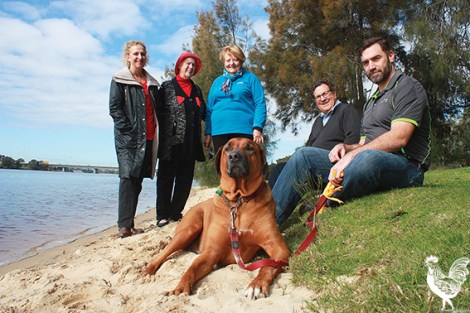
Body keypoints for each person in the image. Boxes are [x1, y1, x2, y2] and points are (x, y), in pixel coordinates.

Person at [273, 36, 431, 225]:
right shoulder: (371, 102)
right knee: (303, 155)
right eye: (365, 63)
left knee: (367, 158)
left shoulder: (407, 87)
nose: (371, 66)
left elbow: (400, 137)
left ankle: (327, 201)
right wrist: (347, 148)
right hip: (367, 159)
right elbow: (364, 143)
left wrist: (352, 155)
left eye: (376, 59)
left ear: (390, 56)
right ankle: (266, 223)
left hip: (407, 167)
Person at [268, 80, 361, 189]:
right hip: (310, 164)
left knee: (302, 155)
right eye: (318, 97)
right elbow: (308, 146)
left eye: (325, 94)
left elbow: (352, 141)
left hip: (332, 163)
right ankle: (266, 204)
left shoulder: (346, 110)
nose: (322, 99)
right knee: (279, 169)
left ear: (334, 94)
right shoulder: (318, 121)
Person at [109, 40, 159, 238]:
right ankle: (123, 226)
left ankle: (129, 223)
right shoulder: (119, 79)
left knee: (137, 181)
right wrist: (128, 130)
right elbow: (114, 108)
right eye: (135, 54)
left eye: (142, 54)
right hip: (128, 139)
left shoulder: (152, 83)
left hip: (148, 137)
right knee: (128, 178)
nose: (139, 57)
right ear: (128, 56)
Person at [155, 52, 206, 227]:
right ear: (179, 65)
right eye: (187, 64)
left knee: (185, 182)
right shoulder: (167, 87)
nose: (190, 67)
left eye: (193, 65)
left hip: (191, 144)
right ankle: (162, 215)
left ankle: (175, 213)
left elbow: (205, 113)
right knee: (165, 180)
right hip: (170, 144)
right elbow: (157, 114)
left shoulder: (197, 90)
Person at [204, 44, 267, 154]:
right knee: (223, 169)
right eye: (228, 60)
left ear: (241, 61)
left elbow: (260, 104)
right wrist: (208, 132)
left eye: (235, 60)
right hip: (219, 131)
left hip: (244, 130)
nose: (231, 63)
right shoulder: (217, 82)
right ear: (224, 62)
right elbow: (209, 110)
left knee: (244, 167)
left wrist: (257, 127)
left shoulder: (250, 78)